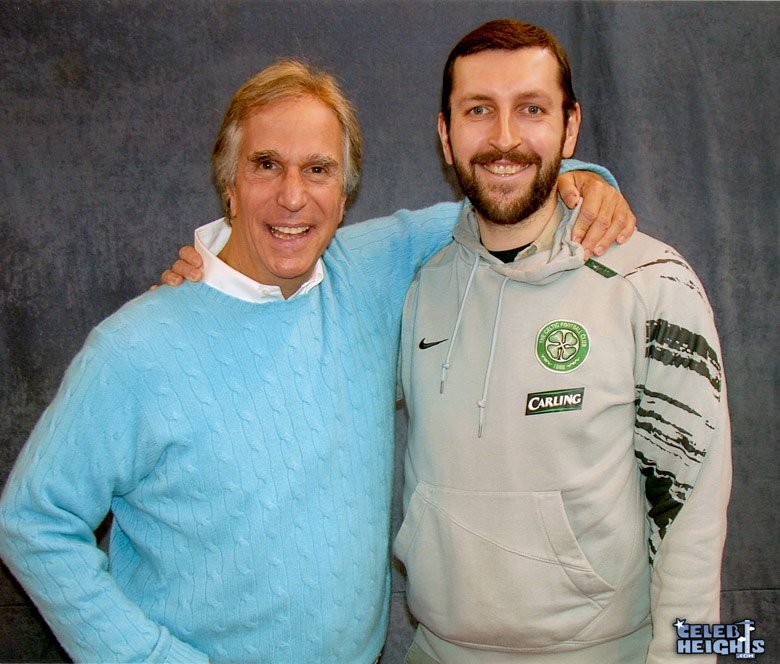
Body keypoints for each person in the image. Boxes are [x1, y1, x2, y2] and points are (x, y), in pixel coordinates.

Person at [0, 61, 630, 663]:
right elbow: (31, 521)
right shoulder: (135, 350)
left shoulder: (374, 268)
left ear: (346, 190)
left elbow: (504, 196)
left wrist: (585, 176)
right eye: (266, 165)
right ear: (229, 181)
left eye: (319, 169)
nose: (293, 197)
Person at [393, 19, 731, 664]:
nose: (503, 138)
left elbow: (692, 513)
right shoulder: (418, 289)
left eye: (531, 109)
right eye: (477, 111)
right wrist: (214, 272)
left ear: (570, 128)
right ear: (445, 134)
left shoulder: (651, 283)